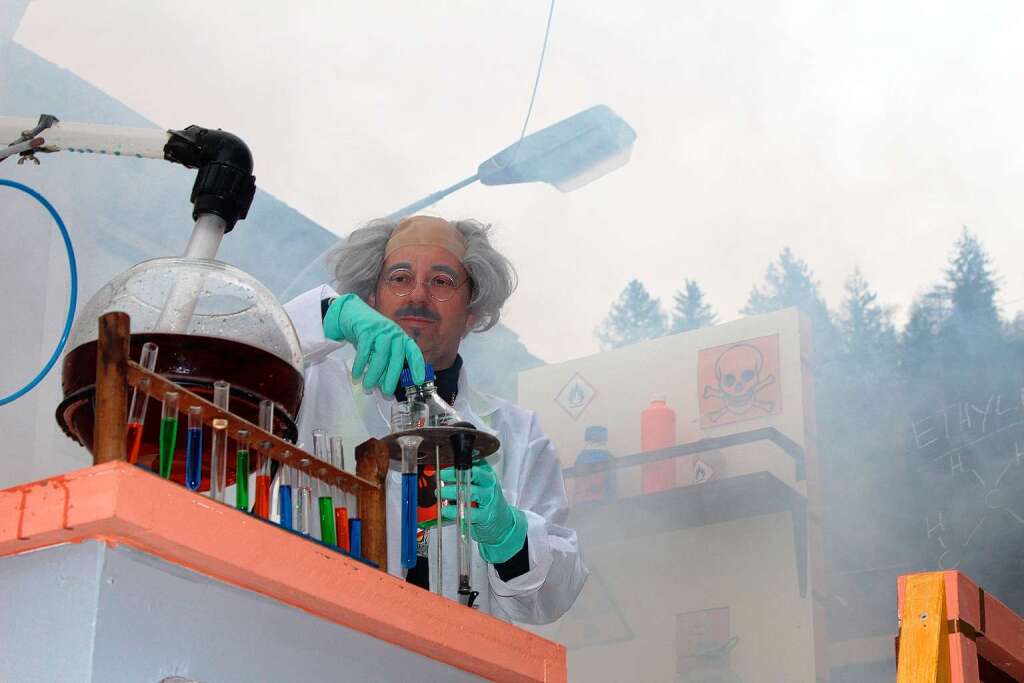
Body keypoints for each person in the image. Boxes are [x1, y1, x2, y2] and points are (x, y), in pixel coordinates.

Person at [284, 215, 587, 624]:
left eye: (442, 281)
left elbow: (558, 595)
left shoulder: (517, 433)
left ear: (473, 313)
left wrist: (510, 535)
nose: (418, 295)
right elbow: (224, 353)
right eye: (400, 277)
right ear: (371, 299)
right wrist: (325, 315)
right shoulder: (313, 383)